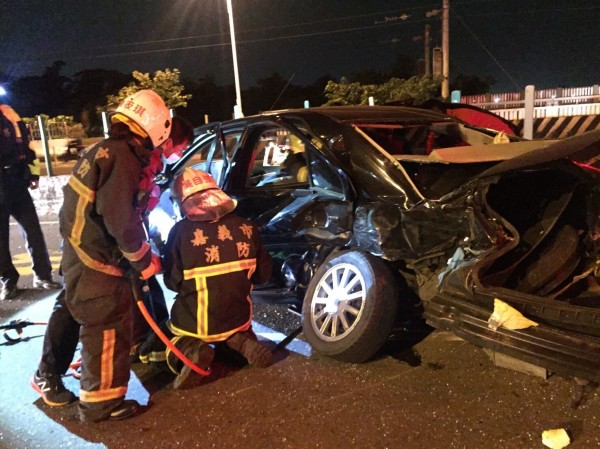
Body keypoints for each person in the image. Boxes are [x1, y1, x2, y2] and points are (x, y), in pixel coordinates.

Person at [31, 89, 170, 423]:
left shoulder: (104, 149)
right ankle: (101, 403)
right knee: (107, 323)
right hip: (96, 259)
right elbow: (120, 218)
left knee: (86, 313)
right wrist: (142, 259)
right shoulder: (123, 156)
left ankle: (58, 377)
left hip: (83, 252)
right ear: (154, 126)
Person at [157, 167, 273, 387]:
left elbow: (173, 283)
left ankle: (193, 350)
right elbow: (263, 275)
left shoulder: (180, 232)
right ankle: (238, 341)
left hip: (195, 322)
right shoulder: (248, 227)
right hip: (237, 317)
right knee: (231, 352)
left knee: (169, 339)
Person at [0, 102, 61, 300]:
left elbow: (26, 146)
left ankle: (42, 275)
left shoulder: (10, 113)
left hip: (16, 180)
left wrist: (32, 174)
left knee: (33, 229)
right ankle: (8, 282)